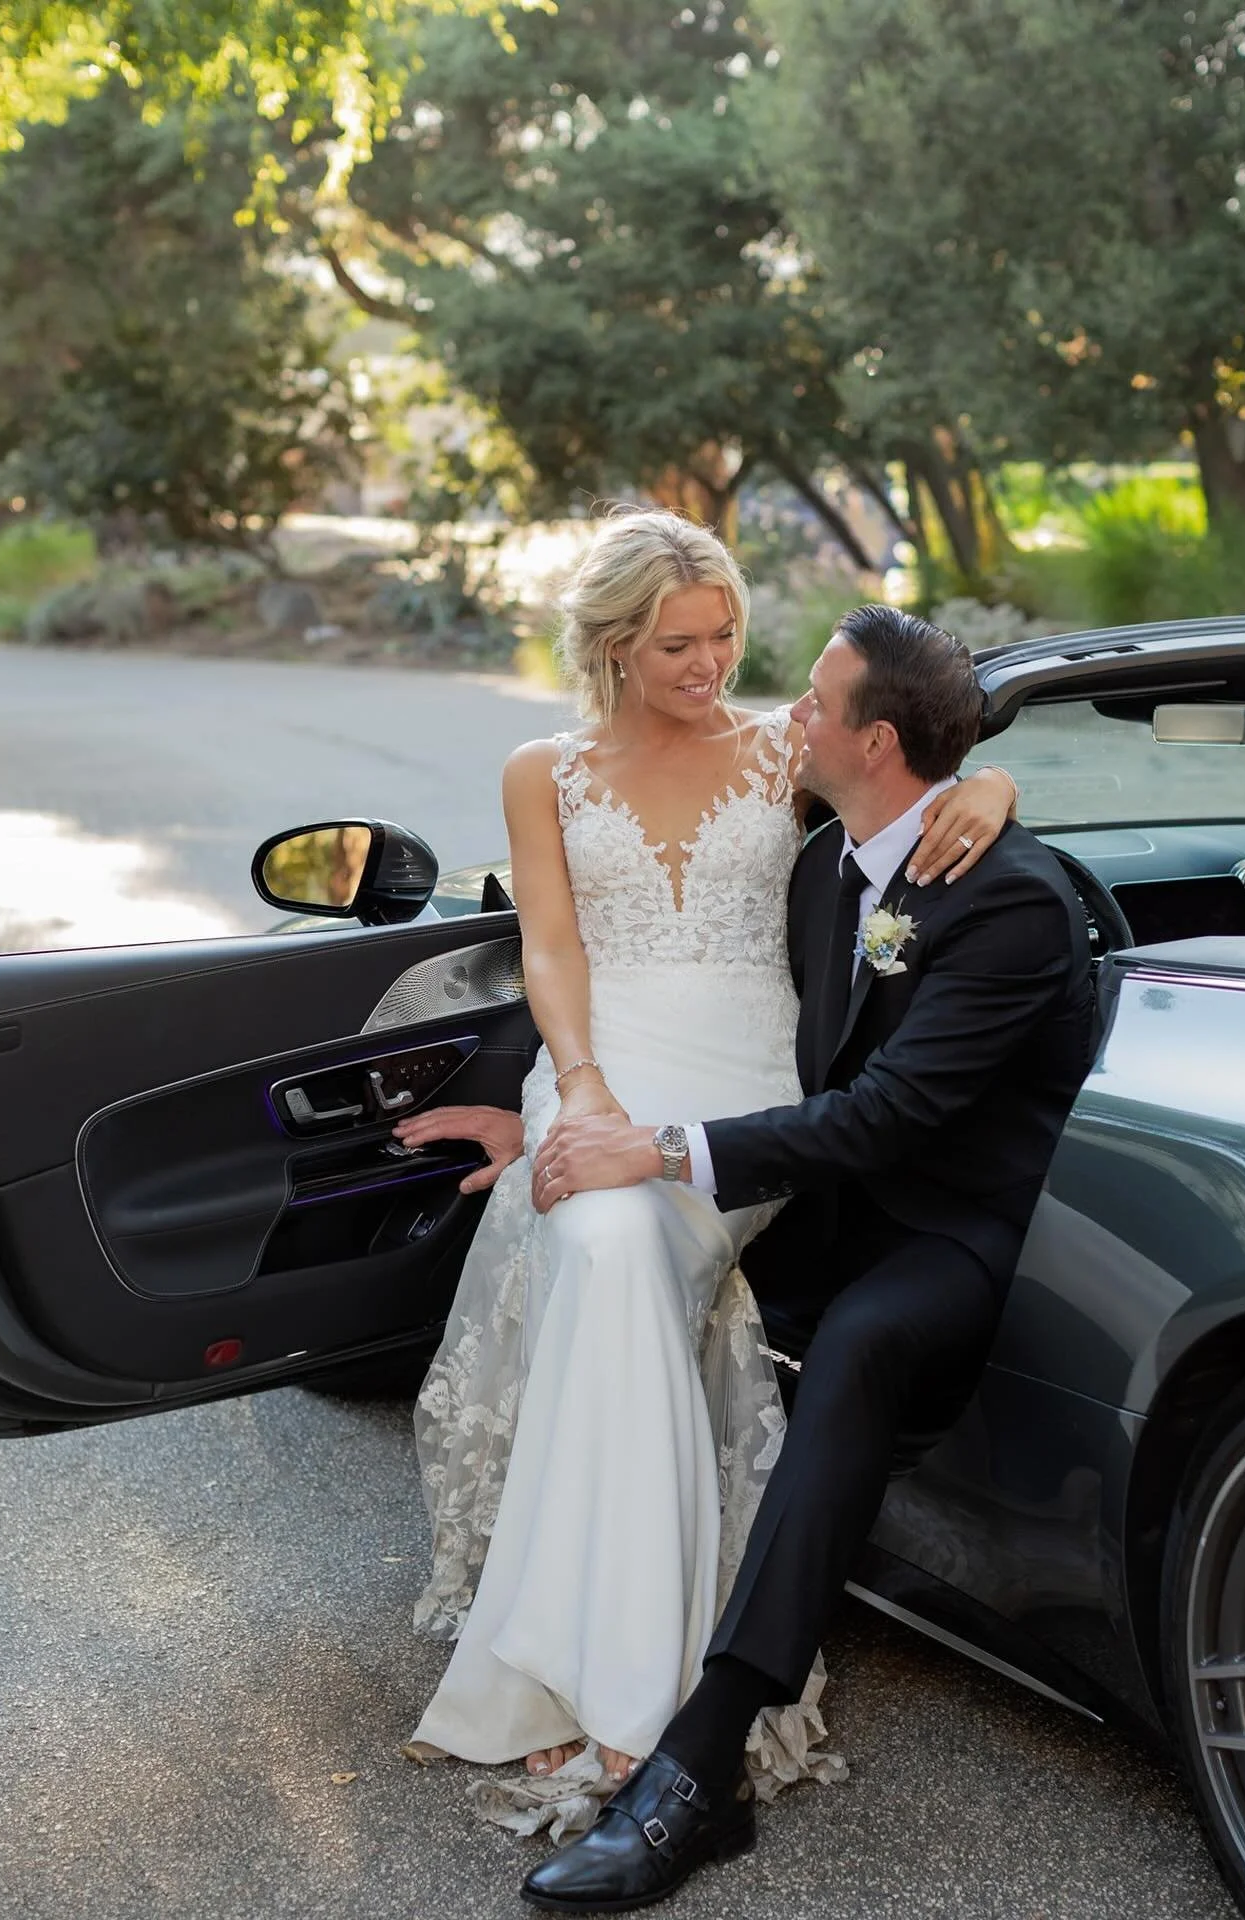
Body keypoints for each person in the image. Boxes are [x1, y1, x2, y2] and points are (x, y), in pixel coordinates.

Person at [389, 510, 1018, 1833]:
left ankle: (609, 1695)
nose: (710, 662)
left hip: (746, 1087)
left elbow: (909, 773)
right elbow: (552, 948)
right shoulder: (540, 768)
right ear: (611, 645)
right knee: (610, 1251)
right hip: (601, 1057)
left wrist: (991, 790)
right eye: (676, 642)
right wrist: (583, 1090)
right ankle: (636, 1698)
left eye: (724, 631)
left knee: (626, 1251)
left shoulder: (782, 746)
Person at [521, 602, 1094, 1911]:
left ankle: (698, 1765)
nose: (789, 716)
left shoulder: (1006, 902)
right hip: (837, 1205)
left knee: (859, 1344)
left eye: (816, 702)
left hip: (964, 1228)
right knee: (635, 1280)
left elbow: (888, 1116)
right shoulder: (827, 856)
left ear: (874, 739)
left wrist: (658, 1150)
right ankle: (605, 1630)